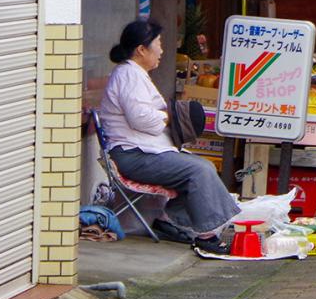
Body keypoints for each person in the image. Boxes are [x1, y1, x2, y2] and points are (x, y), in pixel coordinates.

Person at [99, 20, 240, 254]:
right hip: (132, 156)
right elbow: (142, 119)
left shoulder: (133, 73)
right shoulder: (129, 75)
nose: (161, 51)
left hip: (140, 152)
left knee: (199, 165)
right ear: (141, 49)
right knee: (199, 170)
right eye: (158, 44)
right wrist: (166, 118)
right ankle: (206, 236)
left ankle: (170, 221)